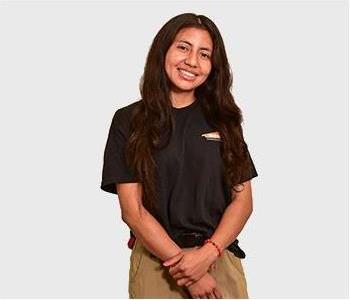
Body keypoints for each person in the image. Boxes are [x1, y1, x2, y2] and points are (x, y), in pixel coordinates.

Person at [100, 12, 258, 299]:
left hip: (218, 259)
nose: (192, 61)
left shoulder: (224, 120)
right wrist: (187, 272)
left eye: (204, 54)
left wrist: (207, 255)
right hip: (157, 264)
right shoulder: (129, 120)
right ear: (164, 50)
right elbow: (133, 211)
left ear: (213, 65)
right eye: (183, 47)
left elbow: (243, 201)